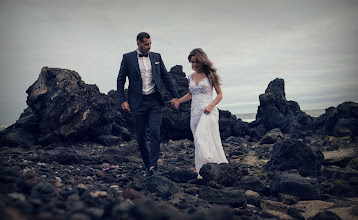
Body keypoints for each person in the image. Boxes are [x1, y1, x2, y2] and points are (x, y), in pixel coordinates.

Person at [117, 32, 179, 176]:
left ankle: (153, 166)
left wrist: (175, 96)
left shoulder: (157, 57)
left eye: (150, 43)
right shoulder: (127, 58)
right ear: (138, 44)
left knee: (155, 132)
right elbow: (120, 80)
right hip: (137, 103)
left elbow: (166, 77)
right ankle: (147, 164)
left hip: (154, 101)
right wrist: (122, 100)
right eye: (146, 44)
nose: (149, 47)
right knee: (140, 136)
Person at [172, 48, 228, 178]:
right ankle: (203, 171)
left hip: (209, 111)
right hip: (195, 111)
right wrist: (179, 101)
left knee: (200, 136)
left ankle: (209, 162)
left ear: (202, 61)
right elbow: (191, 94)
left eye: (197, 62)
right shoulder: (190, 76)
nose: (194, 65)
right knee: (201, 140)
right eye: (192, 62)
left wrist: (211, 106)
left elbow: (220, 95)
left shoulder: (211, 75)